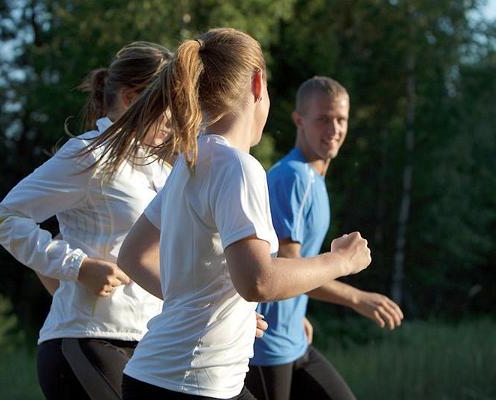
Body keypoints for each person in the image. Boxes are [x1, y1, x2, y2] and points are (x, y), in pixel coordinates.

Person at [87, 28, 372, 400]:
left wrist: (220, 311)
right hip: (191, 384)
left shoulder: (192, 160)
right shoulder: (238, 167)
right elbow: (259, 281)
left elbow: (134, 255)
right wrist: (340, 262)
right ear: (257, 84)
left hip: (155, 377)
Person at [0, 41, 174, 400]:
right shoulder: (89, 154)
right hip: (86, 342)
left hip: (149, 346)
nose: (175, 118)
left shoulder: (163, 170)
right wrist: (77, 265)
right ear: (132, 98)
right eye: (168, 104)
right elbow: (5, 219)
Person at [245, 76, 405, 400]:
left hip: (294, 340)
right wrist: (358, 298)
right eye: (323, 119)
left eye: (341, 119)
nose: (334, 129)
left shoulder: (313, 177)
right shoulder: (293, 178)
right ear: (299, 120)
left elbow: (292, 264)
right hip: (267, 347)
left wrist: (298, 310)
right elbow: (288, 265)